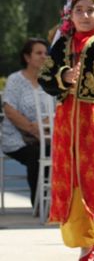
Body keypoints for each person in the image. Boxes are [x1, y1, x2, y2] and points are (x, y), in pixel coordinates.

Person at [39, 0, 94, 261]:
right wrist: (64, 76)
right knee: (72, 177)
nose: (85, 15)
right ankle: (85, 244)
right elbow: (45, 79)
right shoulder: (62, 43)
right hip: (67, 121)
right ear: (69, 13)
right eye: (79, 10)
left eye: (91, 10)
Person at [1, 38, 51, 206]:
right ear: (27, 57)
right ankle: (39, 205)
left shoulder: (49, 82)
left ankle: (57, 204)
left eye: (46, 53)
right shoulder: (16, 80)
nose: (44, 57)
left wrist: (42, 129)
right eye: (38, 53)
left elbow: (55, 110)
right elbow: (9, 109)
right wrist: (33, 129)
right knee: (36, 155)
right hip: (16, 139)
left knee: (58, 152)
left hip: (45, 136)